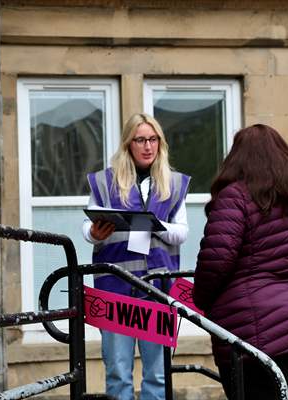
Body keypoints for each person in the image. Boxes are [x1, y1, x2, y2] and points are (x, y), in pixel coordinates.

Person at [192, 124, 288, 400]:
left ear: (237, 158)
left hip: (250, 331)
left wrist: (202, 300)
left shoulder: (234, 196)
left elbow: (216, 260)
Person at [82, 113, 190, 400]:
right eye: (141, 139)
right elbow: (87, 227)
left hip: (157, 290)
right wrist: (95, 233)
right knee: (118, 371)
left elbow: (182, 233)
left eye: (153, 139)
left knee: (157, 374)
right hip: (115, 290)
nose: (148, 146)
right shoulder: (105, 182)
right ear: (129, 143)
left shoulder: (174, 183)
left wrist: (155, 224)